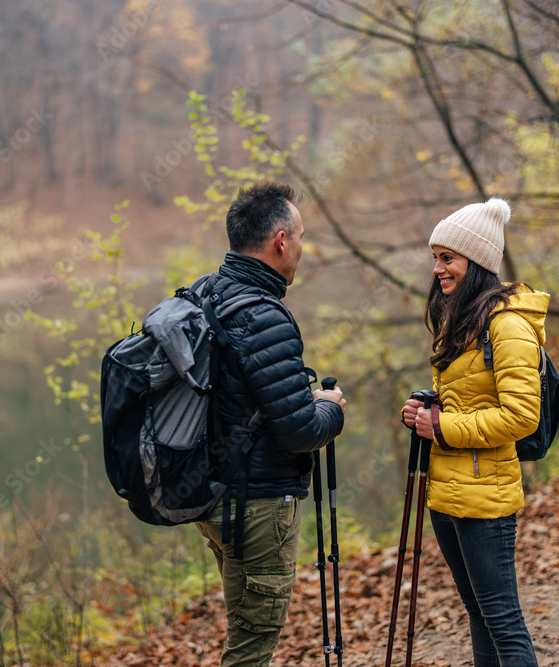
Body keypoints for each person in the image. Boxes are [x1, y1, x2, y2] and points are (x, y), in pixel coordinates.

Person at [194, 181, 346, 667]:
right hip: (257, 506)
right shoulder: (264, 315)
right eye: (300, 237)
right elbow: (299, 430)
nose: (302, 249)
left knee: (242, 631)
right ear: (281, 241)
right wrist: (331, 407)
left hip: (211, 497)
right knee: (250, 649)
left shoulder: (205, 293)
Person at [401, 197, 547, 667]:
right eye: (436, 258)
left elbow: (522, 416)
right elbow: (472, 399)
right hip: (449, 492)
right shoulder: (464, 323)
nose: (438, 269)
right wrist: (428, 409)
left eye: (448, 258)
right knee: (480, 615)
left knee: (502, 619)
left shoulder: (508, 327)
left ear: (477, 260)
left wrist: (442, 426)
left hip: (486, 495)